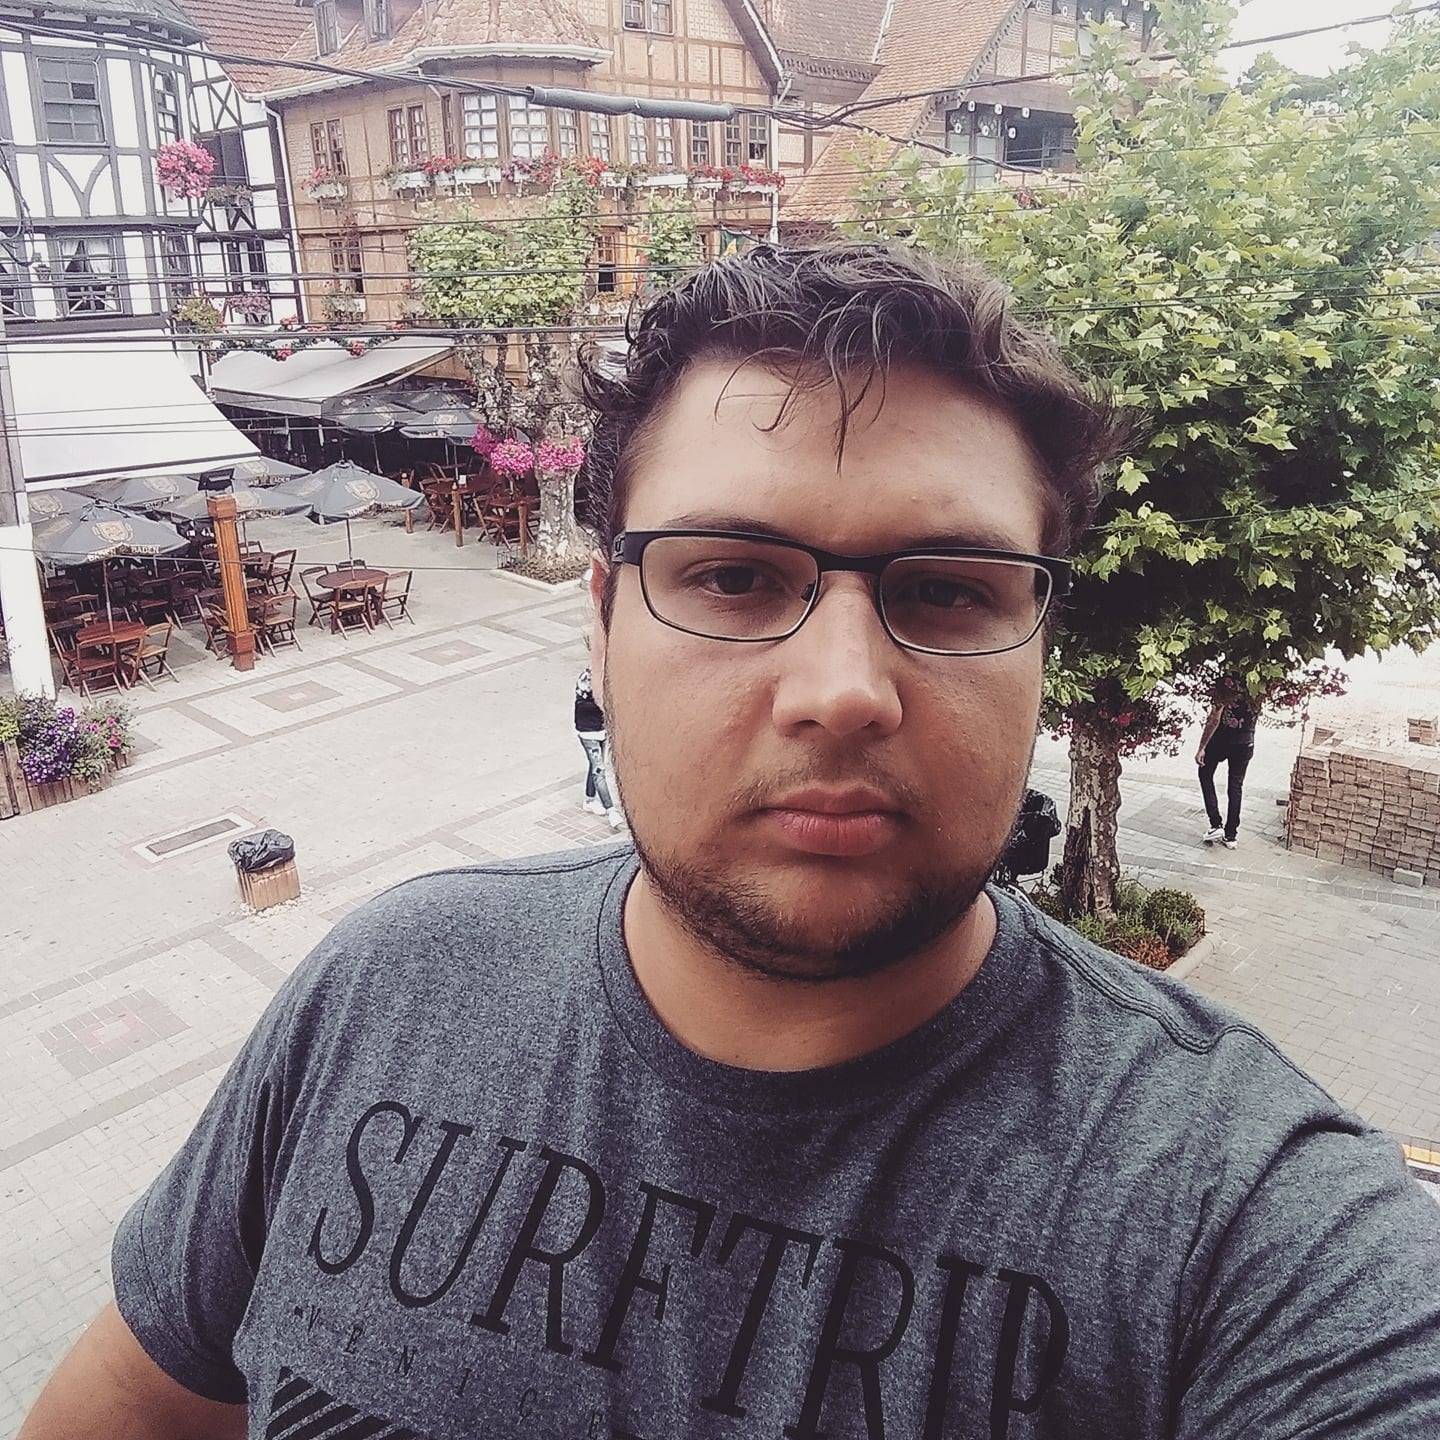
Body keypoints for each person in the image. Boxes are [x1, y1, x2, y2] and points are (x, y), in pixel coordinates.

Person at [22, 245, 1440, 1440]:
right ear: (599, 623)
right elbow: (133, 1406)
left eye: (948, 590)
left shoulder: (1244, 1230)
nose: (842, 691)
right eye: (735, 576)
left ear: (1039, 642)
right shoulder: (385, 988)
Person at [1196, 688, 1259, 849]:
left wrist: (1202, 747)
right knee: (1235, 786)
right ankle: (1231, 835)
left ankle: (1215, 824)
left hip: (1221, 741)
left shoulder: (1225, 686)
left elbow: (1214, 719)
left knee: (1205, 773)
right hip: (1245, 743)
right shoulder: (1259, 687)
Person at [575, 664, 623, 830]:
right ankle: (611, 811)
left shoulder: (607, 676)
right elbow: (585, 705)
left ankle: (589, 799)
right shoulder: (587, 679)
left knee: (595, 765)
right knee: (599, 770)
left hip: (601, 730)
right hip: (588, 733)